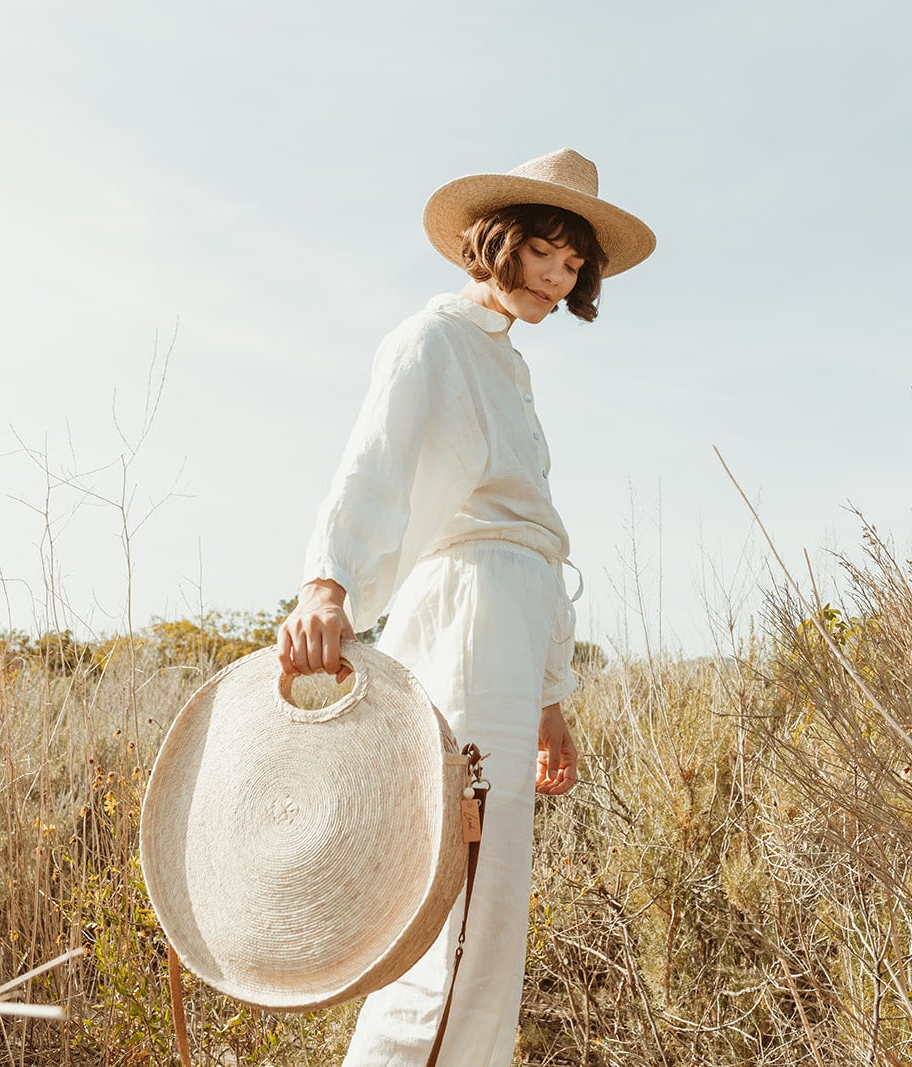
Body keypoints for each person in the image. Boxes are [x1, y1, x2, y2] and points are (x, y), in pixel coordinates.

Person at [276, 148, 655, 1067]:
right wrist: (326, 584)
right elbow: (373, 463)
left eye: (574, 267)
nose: (559, 281)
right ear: (499, 241)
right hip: (469, 613)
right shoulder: (432, 339)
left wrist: (551, 698)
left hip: (514, 623)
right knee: (459, 903)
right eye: (546, 254)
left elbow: (535, 537)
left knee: (492, 908)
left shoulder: (509, 369)